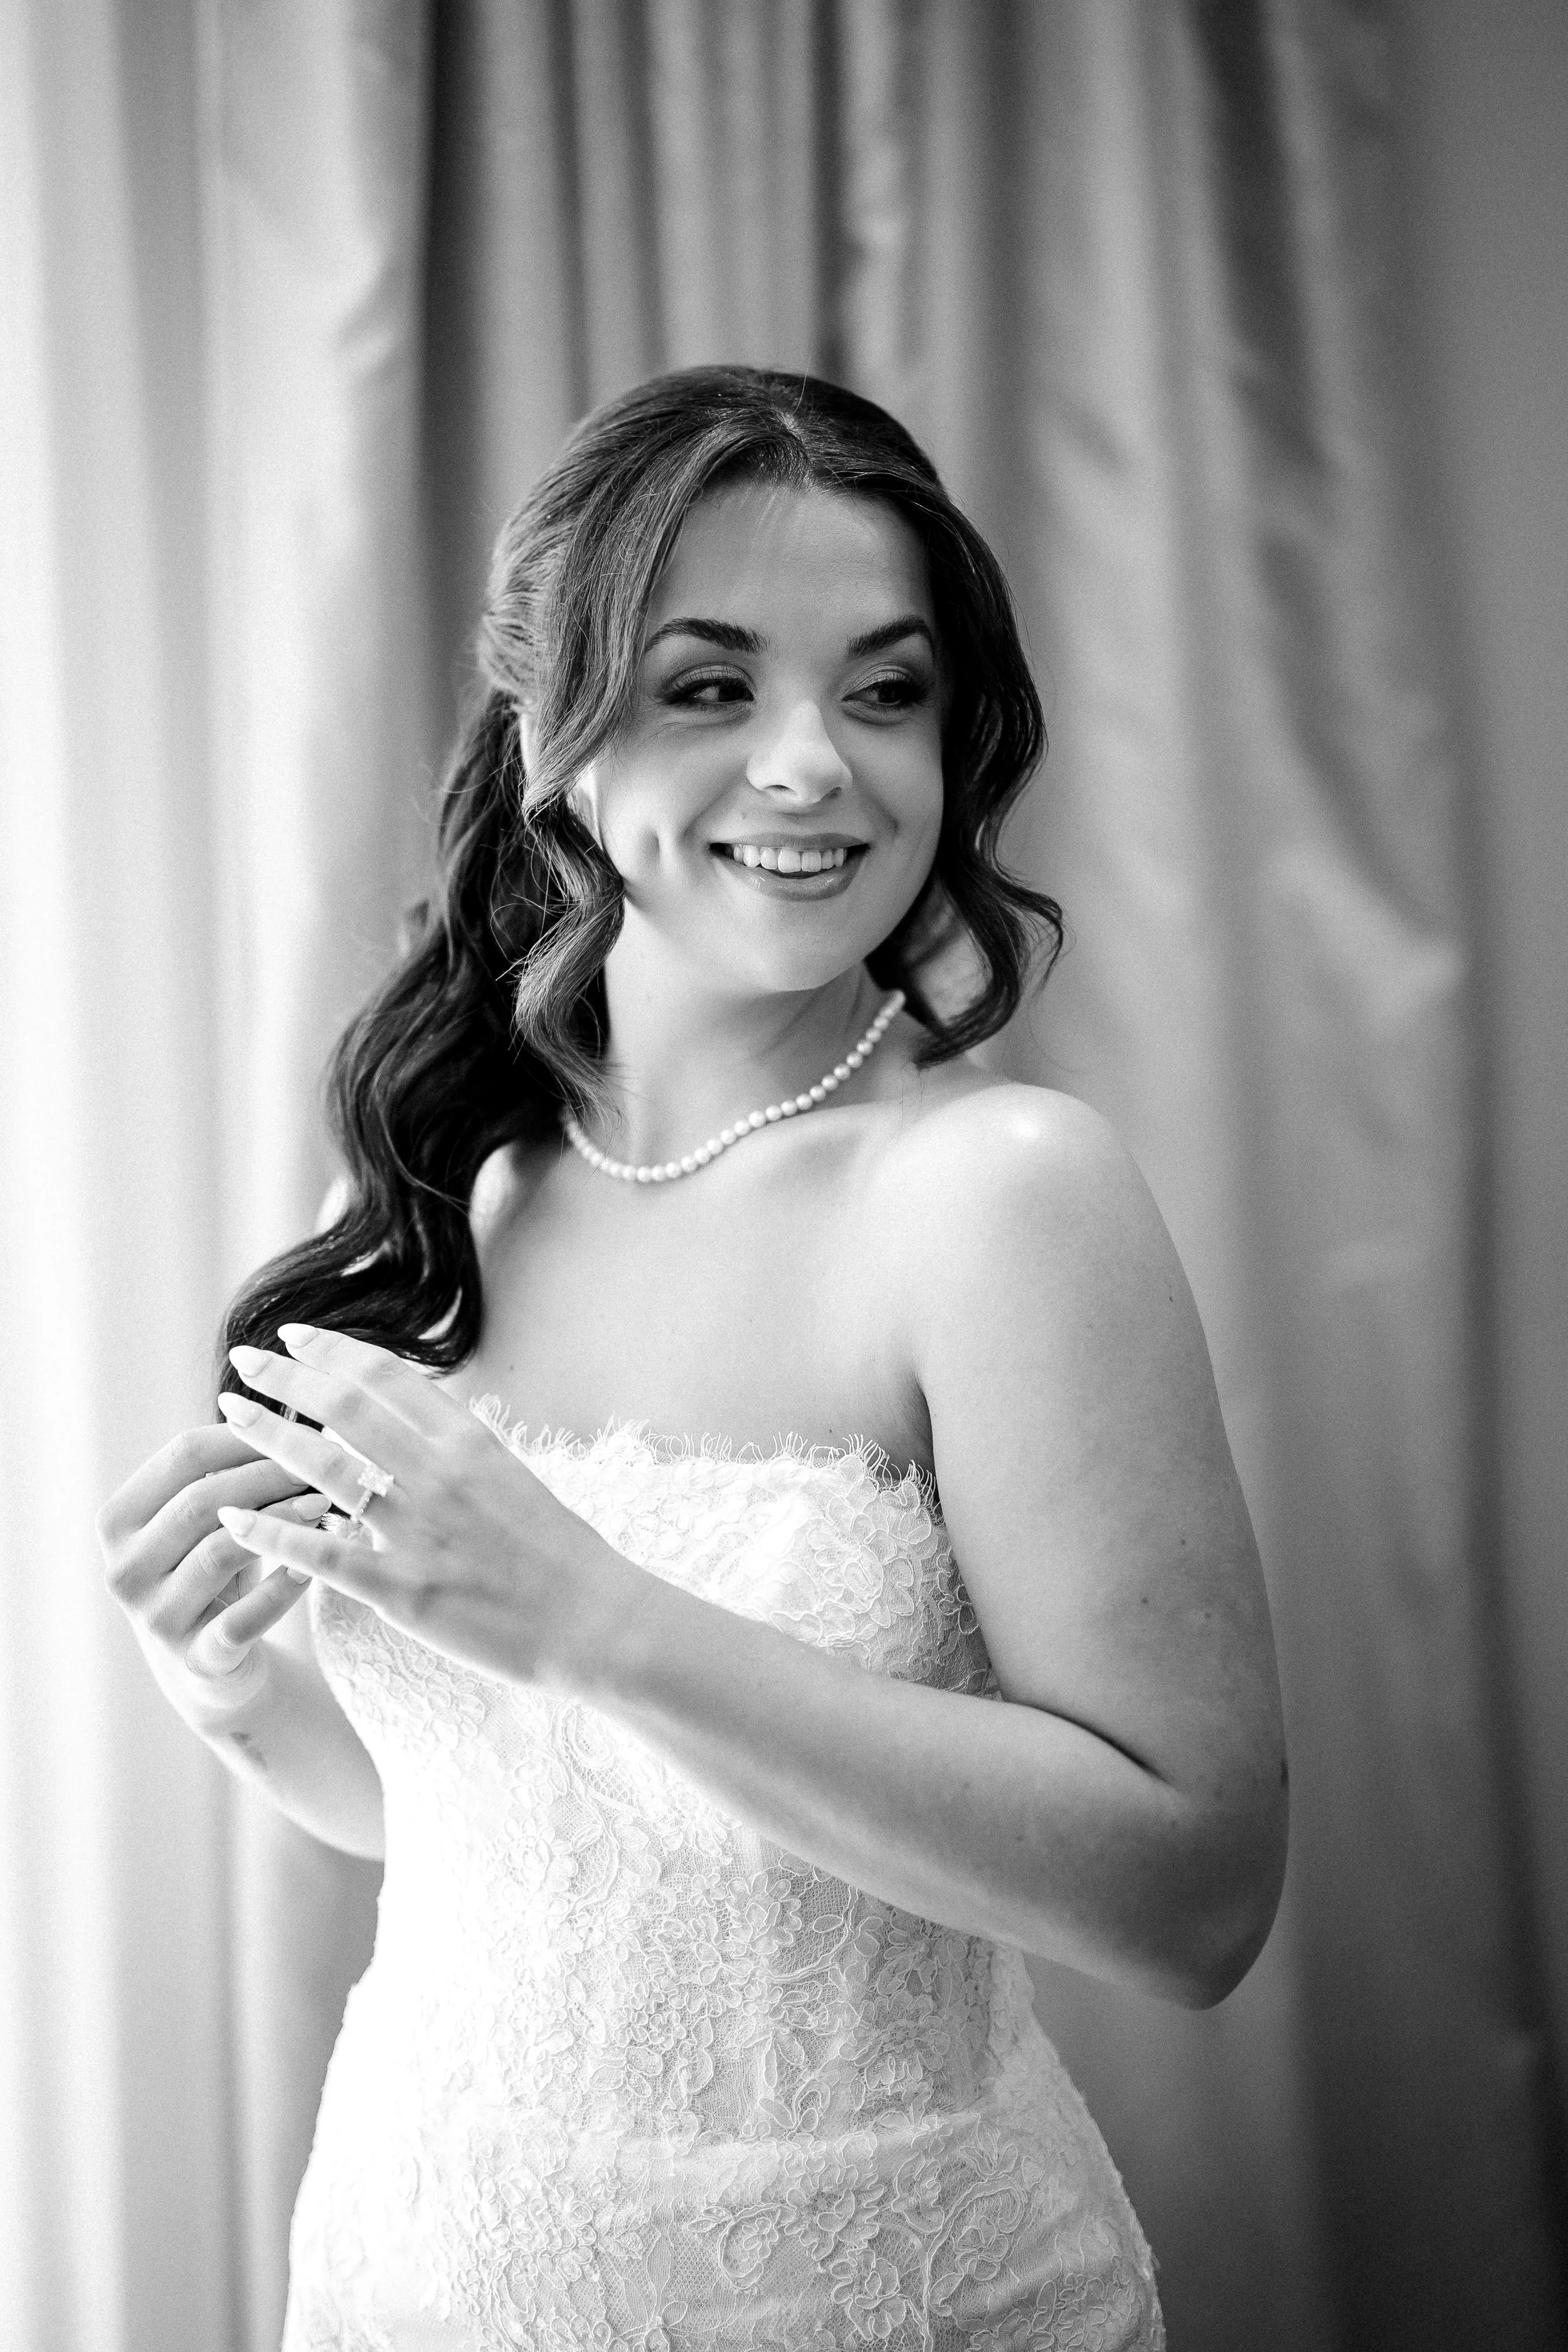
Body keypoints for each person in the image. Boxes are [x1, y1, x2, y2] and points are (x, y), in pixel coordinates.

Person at [98, 366, 1287, 2351]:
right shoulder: (437, 1181)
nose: (816, 765)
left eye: (885, 688)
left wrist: (593, 1616)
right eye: (710, 686)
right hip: (415, 2258)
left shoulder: (995, 1192)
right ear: (553, 740)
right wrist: (232, 1689)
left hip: (879, 2286)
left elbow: (1189, 1898)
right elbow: (535, 1844)